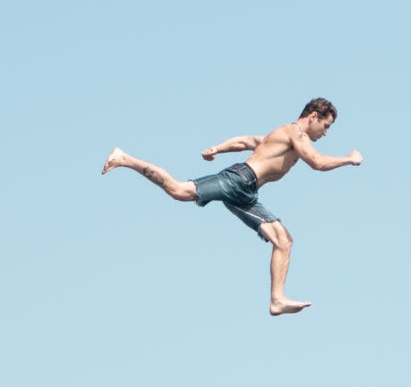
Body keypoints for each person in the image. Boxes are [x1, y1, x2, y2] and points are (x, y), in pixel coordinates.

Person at [102, 97, 359, 316]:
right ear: (313, 116)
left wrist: (218, 147)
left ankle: (277, 299)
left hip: (246, 192)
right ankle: (125, 158)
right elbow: (317, 162)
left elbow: (247, 141)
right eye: (325, 127)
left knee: (284, 241)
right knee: (178, 190)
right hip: (238, 180)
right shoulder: (296, 133)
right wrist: (348, 159)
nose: (325, 133)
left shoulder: (282, 136)